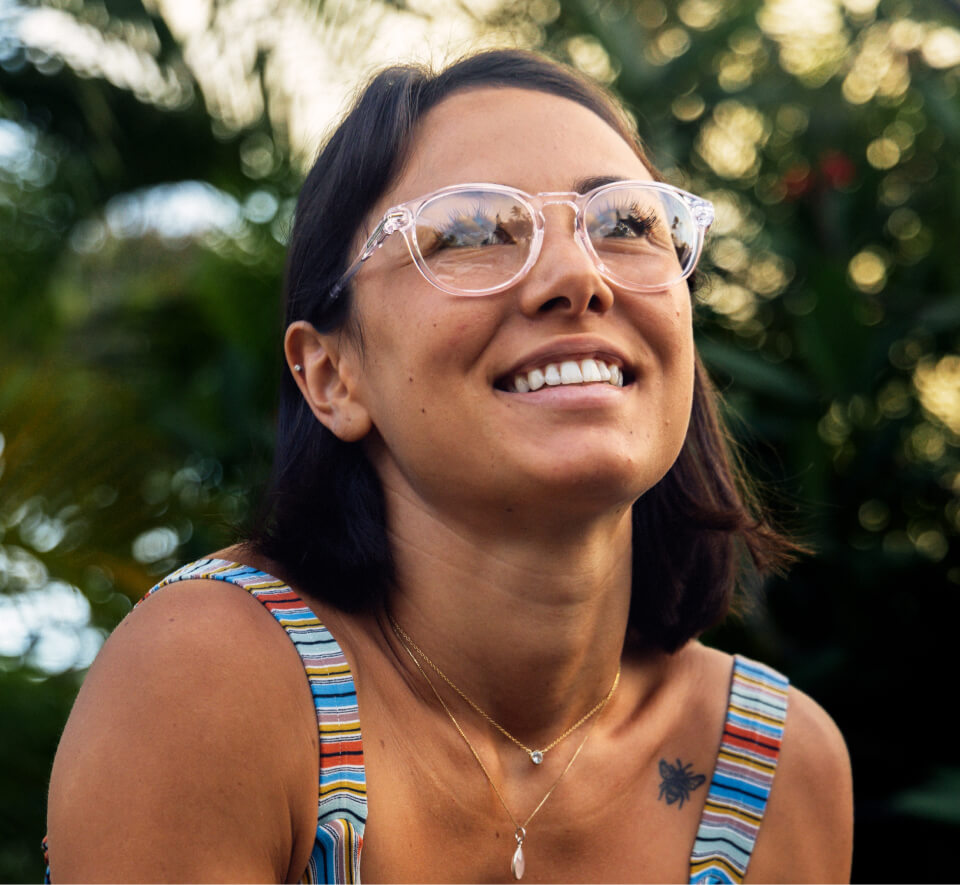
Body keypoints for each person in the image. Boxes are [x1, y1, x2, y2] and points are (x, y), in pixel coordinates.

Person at [45, 49, 853, 883]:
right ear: (332, 375)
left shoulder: (772, 766)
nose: (579, 275)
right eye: (472, 230)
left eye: (626, 223)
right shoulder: (210, 682)